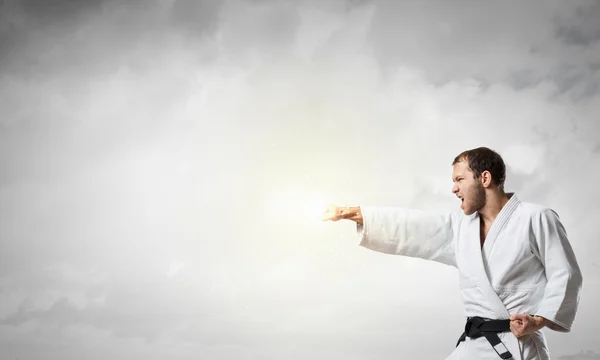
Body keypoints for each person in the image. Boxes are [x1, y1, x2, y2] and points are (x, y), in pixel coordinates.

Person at [321, 147, 583, 360]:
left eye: (459, 179)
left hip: (518, 346)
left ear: (485, 179)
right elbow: (412, 227)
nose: (453, 189)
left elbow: (566, 273)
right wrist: (348, 212)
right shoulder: (461, 228)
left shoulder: (536, 218)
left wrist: (537, 320)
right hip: (475, 345)